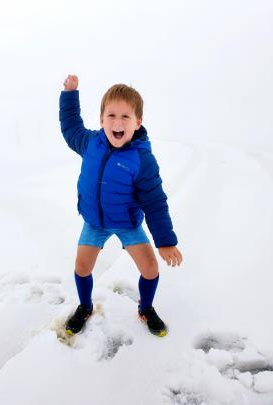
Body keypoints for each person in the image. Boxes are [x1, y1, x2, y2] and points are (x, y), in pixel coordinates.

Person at [59, 74, 183, 337]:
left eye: (125, 117)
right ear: (102, 119)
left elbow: (155, 202)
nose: (117, 122)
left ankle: (146, 308)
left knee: (150, 269)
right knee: (82, 267)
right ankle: (85, 305)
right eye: (111, 115)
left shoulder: (142, 159)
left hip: (128, 223)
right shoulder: (91, 142)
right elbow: (70, 128)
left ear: (138, 122)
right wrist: (70, 94)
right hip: (94, 222)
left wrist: (165, 241)